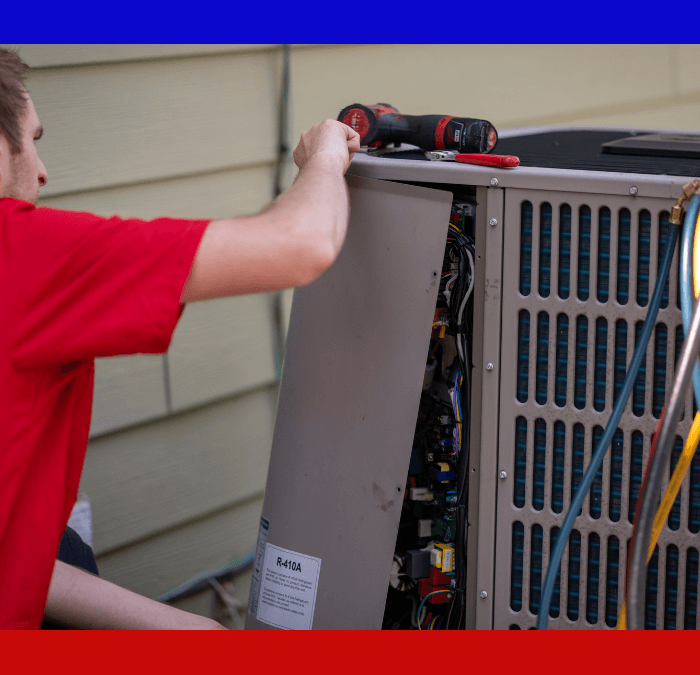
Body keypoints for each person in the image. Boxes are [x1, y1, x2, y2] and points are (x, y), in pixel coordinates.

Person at [0, 47, 360, 630]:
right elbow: (303, 244)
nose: (41, 170)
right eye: (31, 140)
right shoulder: (21, 256)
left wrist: (199, 632)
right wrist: (323, 157)